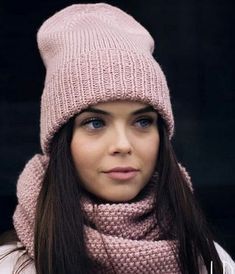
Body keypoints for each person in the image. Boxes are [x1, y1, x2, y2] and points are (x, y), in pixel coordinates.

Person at [0, 3, 234, 274]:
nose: (123, 144)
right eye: (95, 123)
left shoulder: (210, 261)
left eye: (143, 121)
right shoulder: (13, 266)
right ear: (61, 141)